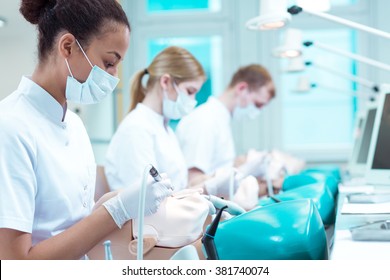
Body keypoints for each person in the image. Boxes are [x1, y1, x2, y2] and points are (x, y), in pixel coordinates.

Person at [0, 0, 172, 260]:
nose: (114, 77)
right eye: (109, 62)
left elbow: (73, 225)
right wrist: (114, 211)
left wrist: (121, 201)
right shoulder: (11, 127)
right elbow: (15, 264)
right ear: (68, 47)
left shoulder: (74, 125)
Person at [105, 46, 206, 192]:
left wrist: (205, 186)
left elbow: (175, 188)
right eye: (190, 91)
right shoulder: (136, 129)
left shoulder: (164, 129)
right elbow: (144, 201)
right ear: (165, 81)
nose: (193, 100)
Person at [176, 64, 283, 197]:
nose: (257, 112)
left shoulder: (220, 119)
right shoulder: (205, 120)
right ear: (242, 88)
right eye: (257, 104)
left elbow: (217, 169)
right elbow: (192, 183)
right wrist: (244, 171)